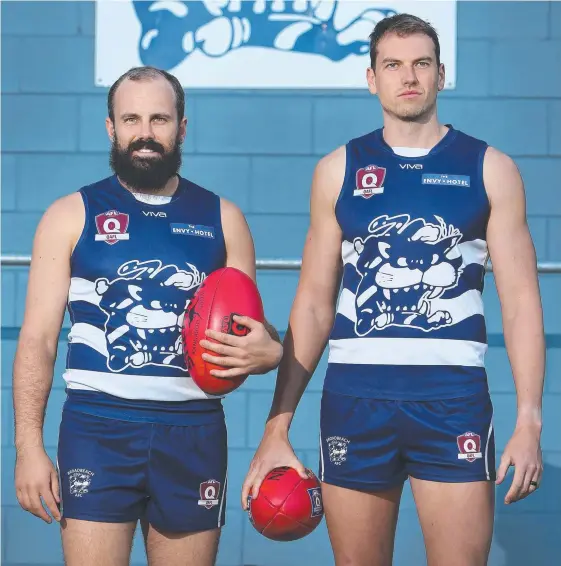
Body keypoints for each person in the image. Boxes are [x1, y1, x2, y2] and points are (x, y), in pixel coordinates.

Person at [242, 13, 545, 566]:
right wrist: (276, 425)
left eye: (421, 64)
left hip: (452, 400)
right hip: (356, 398)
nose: (409, 76)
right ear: (371, 77)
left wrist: (529, 419)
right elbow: (312, 306)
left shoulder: (490, 169)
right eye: (394, 65)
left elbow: (522, 303)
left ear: (441, 74)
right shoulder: (338, 170)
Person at [12, 66, 283, 566]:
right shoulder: (71, 214)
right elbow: (38, 341)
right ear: (110, 127)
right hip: (98, 428)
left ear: (182, 127)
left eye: (159, 119)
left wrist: (271, 351)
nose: (145, 132)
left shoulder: (223, 218)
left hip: (193, 430)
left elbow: (250, 335)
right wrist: (28, 447)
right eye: (131, 118)